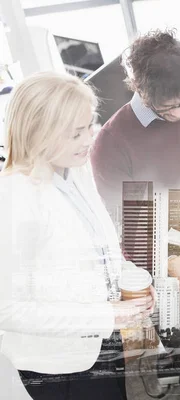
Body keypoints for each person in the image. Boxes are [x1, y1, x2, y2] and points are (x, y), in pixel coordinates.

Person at [90, 29, 180, 398]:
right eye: (169, 107)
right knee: (179, 342)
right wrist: (167, 264)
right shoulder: (111, 143)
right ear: (142, 91)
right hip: (152, 264)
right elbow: (124, 230)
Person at [0, 72, 154, 400]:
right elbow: (7, 309)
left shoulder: (74, 172)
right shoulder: (13, 197)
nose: (88, 140)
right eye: (75, 134)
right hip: (59, 368)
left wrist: (133, 279)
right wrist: (106, 315)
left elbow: (99, 249)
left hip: (99, 344)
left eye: (89, 126)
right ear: (37, 133)